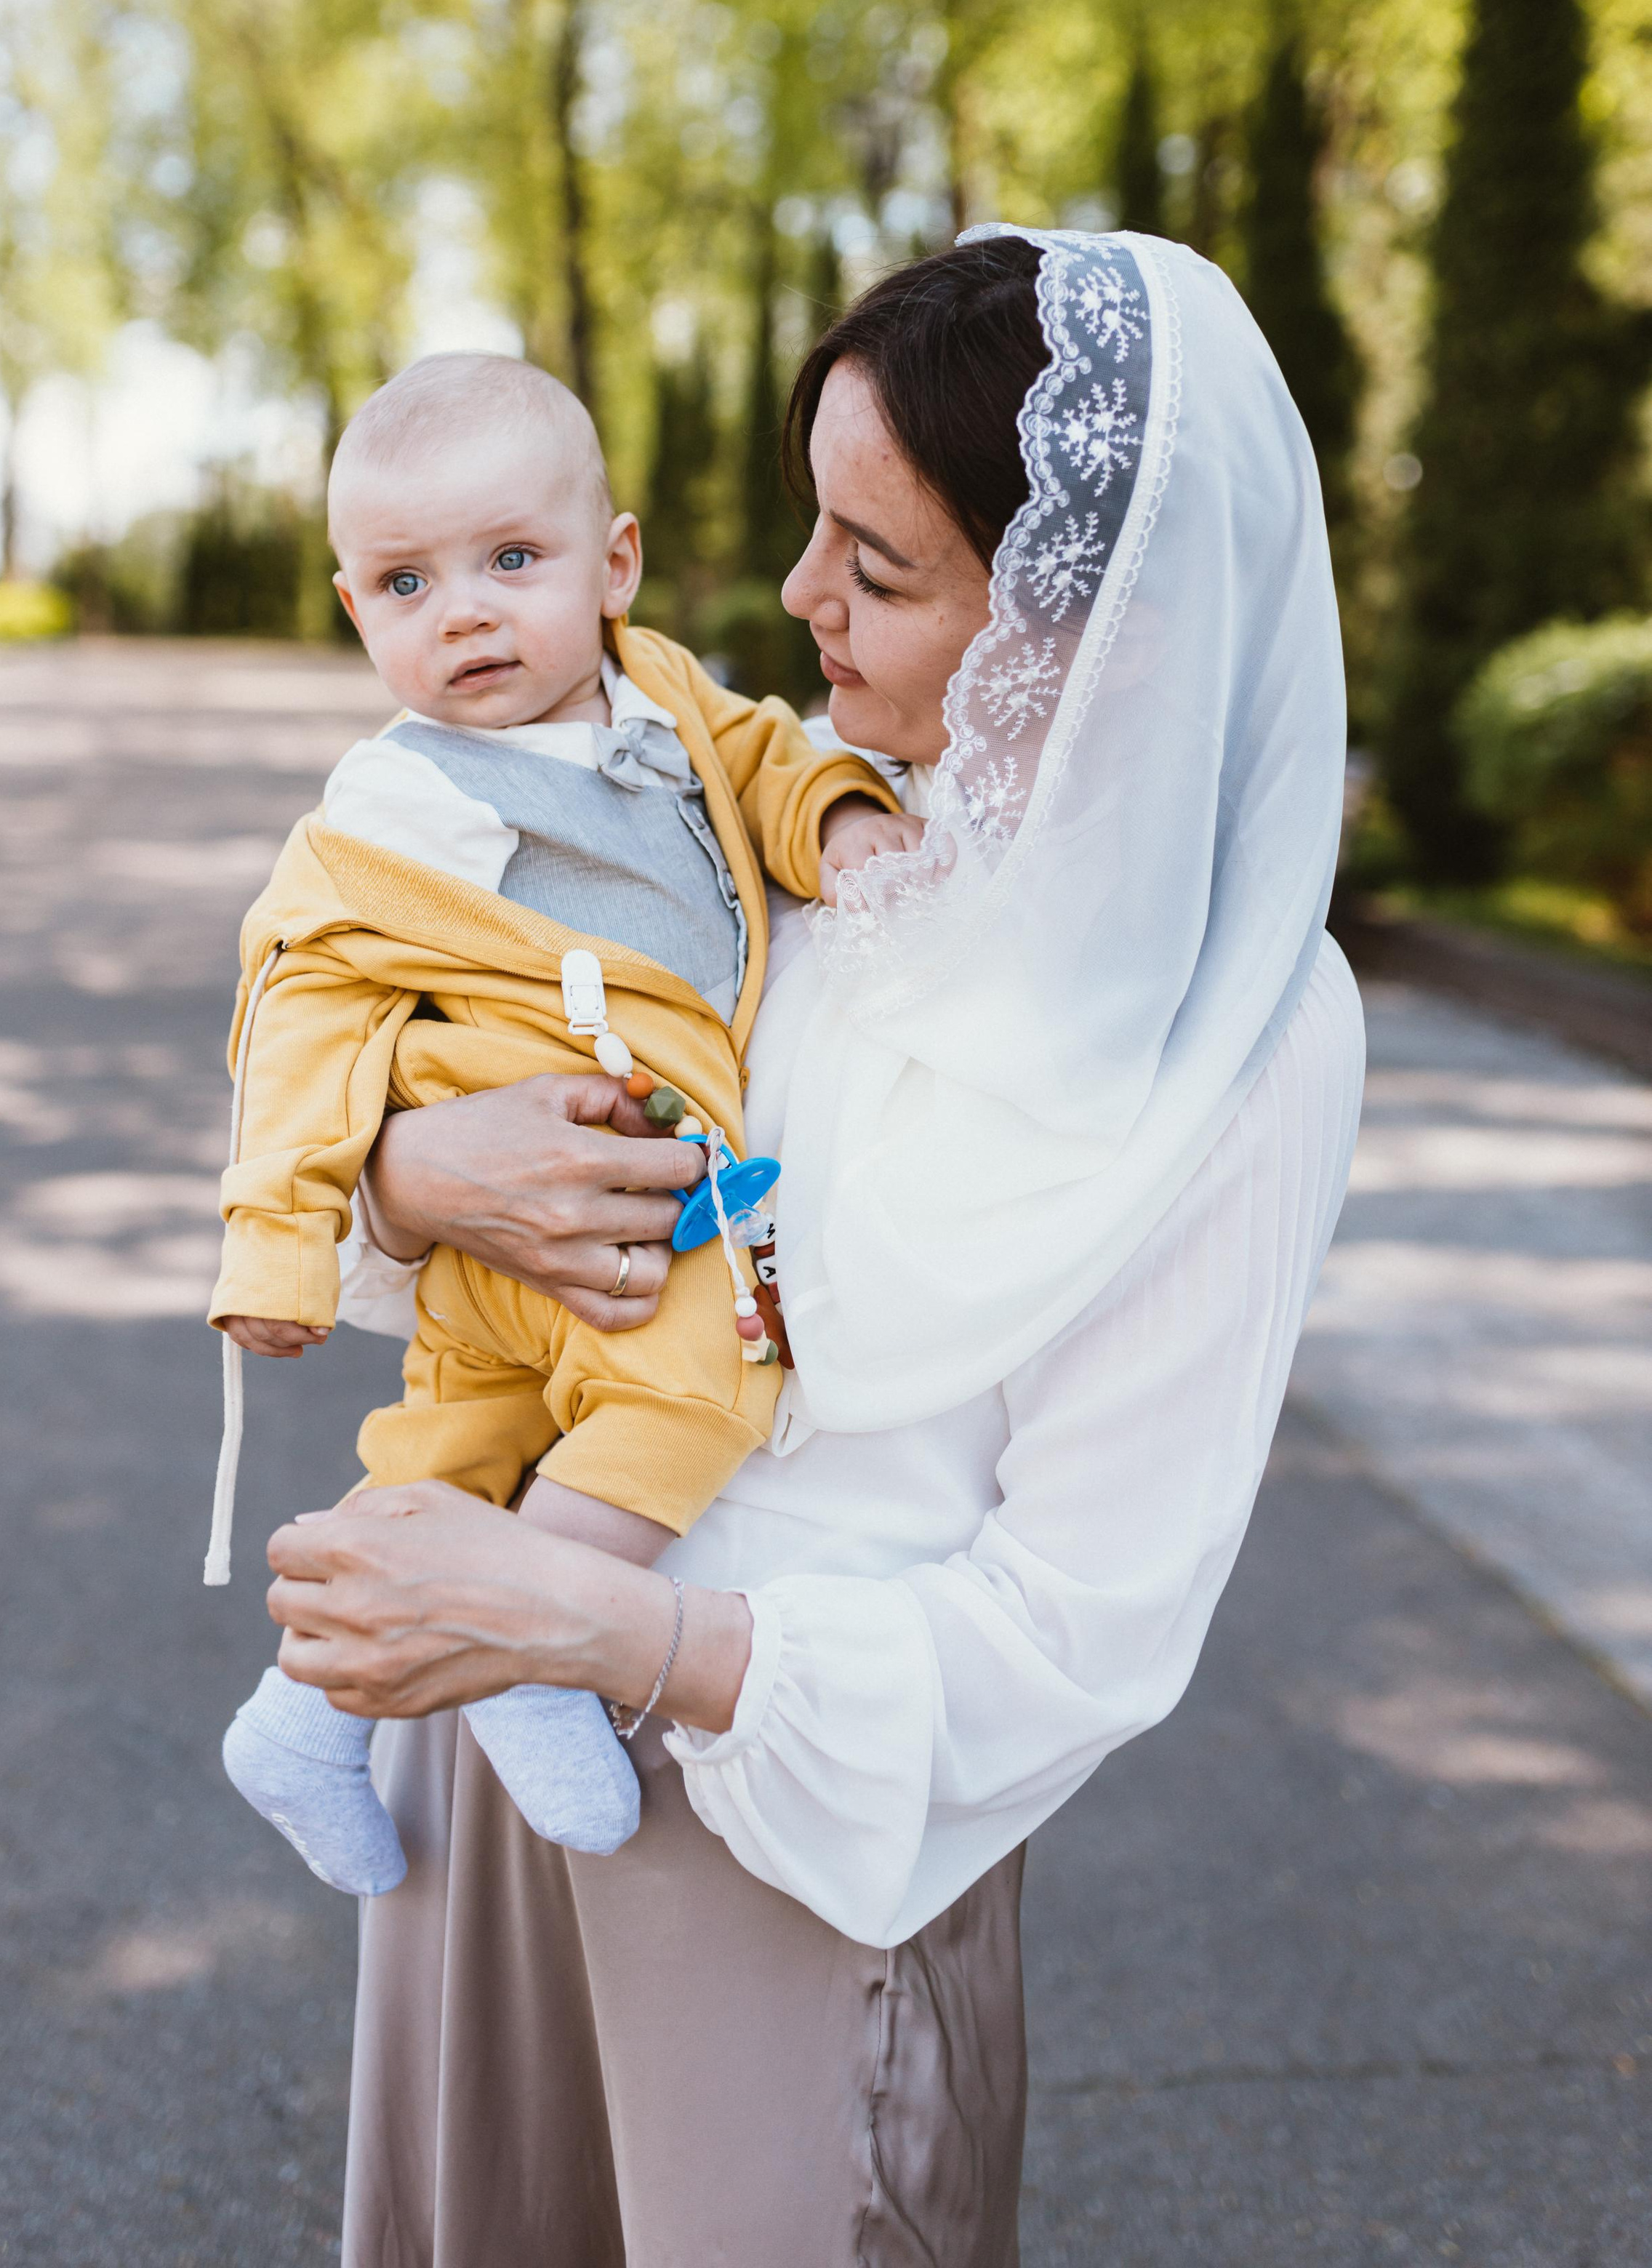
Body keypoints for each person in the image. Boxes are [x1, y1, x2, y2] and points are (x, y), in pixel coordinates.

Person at [268, 230, 1367, 2268]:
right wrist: (416, 1179)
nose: (794, 598)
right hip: (482, 1733)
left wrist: (610, 1634)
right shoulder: (777, 833)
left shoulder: (1242, 1021)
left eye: (877, 562)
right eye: (810, 528)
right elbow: (372, 1092)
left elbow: (1079, 1634)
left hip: (789, 1847)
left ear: (1093, 621)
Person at [207, 351, 900, 1887]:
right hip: (570, 1210)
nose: (462, 613)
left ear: (614, 565)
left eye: (511, 560)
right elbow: (296, 1022)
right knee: (713, 1376)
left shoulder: (665, 699)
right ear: (355, 610)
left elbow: (766, 758)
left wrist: (842, 820)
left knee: (446, 1463)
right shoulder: (388, 815)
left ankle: (298, 1716)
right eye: (406, 583)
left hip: (547, 1244)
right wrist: (279, 1249)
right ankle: (533, 1642)